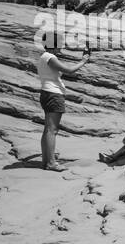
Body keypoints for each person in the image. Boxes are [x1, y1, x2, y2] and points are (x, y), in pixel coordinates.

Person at [37, 39, 91, 171]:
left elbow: (59, 72)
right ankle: (51, 163)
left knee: (48, 129)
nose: (61, 46)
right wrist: (83, 61)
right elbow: (69, 70)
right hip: (53, 95)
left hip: (47, 93)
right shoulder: (50, 57)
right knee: (52, 130)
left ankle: (46, 161)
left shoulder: (44, 57)